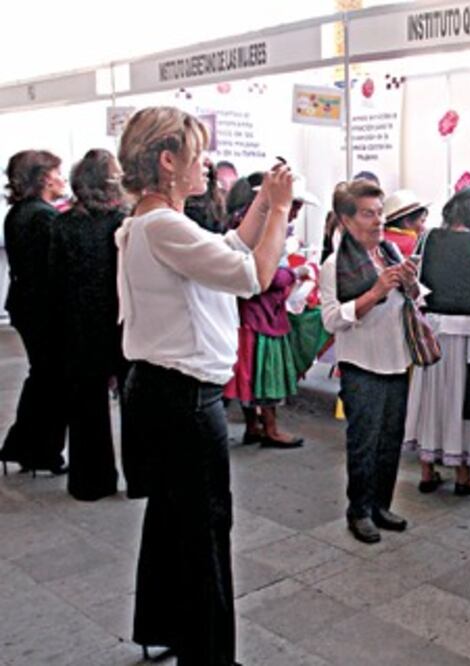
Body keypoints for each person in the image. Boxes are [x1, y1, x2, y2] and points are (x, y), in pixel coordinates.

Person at [115, 106, 293, 665]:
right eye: (198, 154)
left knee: (172, 522)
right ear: (168, 162)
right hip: (185, 400)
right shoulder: (163, 225)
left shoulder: (153, 223)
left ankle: (165, 626)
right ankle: (209, 656)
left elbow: (232, 251)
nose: (207, 165)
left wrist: (263, 201)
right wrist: (284, 209)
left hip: (164, 392)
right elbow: (252, 276)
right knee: (205, 530)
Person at [319, 179, 418, 544]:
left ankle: (381, 505)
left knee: (391, 439)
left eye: (379, 213)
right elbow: (330, 319)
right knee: (364, 441)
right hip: (361, 364)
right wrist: (375, 291)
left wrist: (410, 283)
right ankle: (358, 510)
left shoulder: (390, 251)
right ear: (345, 220)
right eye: (366, 214)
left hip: (396, 359)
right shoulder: (335, 265)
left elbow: (414, 302)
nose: (377, 221)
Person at [404, 186, 470, 495]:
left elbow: (426, 281)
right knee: (464, 400)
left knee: (430, 397)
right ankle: (464, 476)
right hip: (469, 330)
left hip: (433, 327)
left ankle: (427, 470)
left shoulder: (431, 237)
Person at [48, 149, 132, 500]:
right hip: (123, 322)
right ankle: (141, 477)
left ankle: (90, 481)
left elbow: (55, 280)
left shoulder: (63, 224)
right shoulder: (124, 224)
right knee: (134, 403)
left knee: (85, 407)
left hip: (80, 326)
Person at [224, 173, 312, 449]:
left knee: (251, 373)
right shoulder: (264, 230)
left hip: (255, 313)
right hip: (261, 314)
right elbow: (266, 275)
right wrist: (293, 275)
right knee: (265, 373)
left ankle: (254, 426)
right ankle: (270, 428)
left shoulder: (248, 226)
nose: (296, 211)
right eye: (294, 204)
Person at [0, 149, 69, 475]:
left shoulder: (19, 213)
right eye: (56, 172)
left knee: (42, 376)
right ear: (43, 177)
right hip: (45, 310)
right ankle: (40, 451)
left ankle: (24, 446)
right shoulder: (44, 217)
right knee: (52, 379)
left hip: (27, 306)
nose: (61, 178)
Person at [382, 189, 429, 257]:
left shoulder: (378, 239)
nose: (424, 228)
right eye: (422, 221)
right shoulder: (413, 244)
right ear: (407, 222)